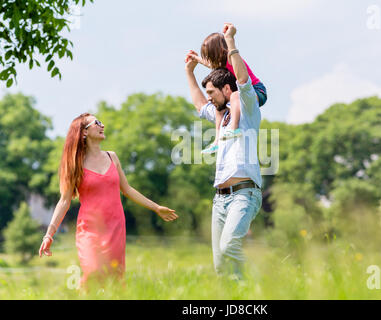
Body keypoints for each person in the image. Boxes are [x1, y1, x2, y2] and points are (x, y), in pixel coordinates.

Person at [38, 113, 178, 288]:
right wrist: (49, 234)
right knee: (93, 274)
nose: (102, 125)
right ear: (84, 133)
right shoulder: (75, 164)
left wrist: (156, 207)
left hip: (115, 228)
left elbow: (127, 190)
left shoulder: (112, 157)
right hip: (90, 230)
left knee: (115, 280)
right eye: (97, 123)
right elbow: (64, 202)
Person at [185, 23, 263, 278]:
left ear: (226, 90)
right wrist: (190, 72)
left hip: (244, 193)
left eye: (212, 92)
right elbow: (199, 104)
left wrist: (230, 41)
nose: (208, 97)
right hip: (220, 198)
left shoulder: (247, 109)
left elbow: (243, 80)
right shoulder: (221, 114)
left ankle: (271, 283)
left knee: (230, 247)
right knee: (221, 266)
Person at [187, 29, 267, 154]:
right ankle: (217, 141)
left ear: (218, 51)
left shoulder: (231, 58)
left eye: (210, 56)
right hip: (241, 93)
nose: (209, 60)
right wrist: (196, 59)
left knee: (235, 95)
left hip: (257, 90)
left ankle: (234, 128)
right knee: (219, 109)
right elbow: (210, 65)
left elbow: (243, 79)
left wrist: (230, 39)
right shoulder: (220, 63)